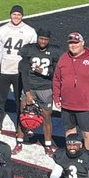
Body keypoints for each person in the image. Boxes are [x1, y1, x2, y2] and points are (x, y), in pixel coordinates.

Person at [53, 31, 89, 153]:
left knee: (88, 134)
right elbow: (56, 79)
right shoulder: (64, 58)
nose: (73, 45)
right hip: (67, 105)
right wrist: (56, 97)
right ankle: (72, 157)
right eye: (71, 43)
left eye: (76, 43)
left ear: (82, 43)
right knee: (69, 132)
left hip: (86, 106)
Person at [0, 5, 36, 152]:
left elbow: (34, 50)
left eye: (18, 14)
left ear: (22, 16)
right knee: (0, 99)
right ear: (10, 15)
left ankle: (22, 126)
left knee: (21, 102)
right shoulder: (2, 30)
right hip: (4, 69)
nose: (16, 17)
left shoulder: (29, 31)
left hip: (19, 71)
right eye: (14, 14)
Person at [19, 27, 63, 156]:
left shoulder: (55, 51)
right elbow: (24, 72)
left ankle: (48, 145)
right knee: (23, 115)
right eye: (41, 38)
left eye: (46, 39)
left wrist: (45, 72)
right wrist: (27, 92)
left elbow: (58, 73)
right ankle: (19, 141)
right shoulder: (29, 49)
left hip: (46, 88)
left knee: (46, 118)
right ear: (37, 38)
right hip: (30, 87)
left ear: (49, 40)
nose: (43, 41)